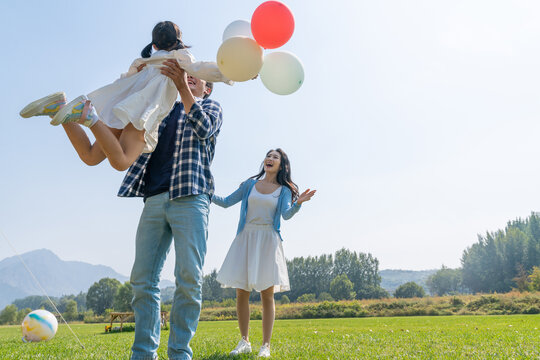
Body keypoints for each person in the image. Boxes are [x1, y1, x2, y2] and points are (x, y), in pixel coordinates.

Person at [19, 20, 230, 171]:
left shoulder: (143, 62)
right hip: (141, 114)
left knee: (91, 157)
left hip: (123, 108)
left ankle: (58, 105)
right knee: (121, 162)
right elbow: (203, 69)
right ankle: (88, 117)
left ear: (154, 45)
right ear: (179, 40)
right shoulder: (180, 58)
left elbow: (125, 79)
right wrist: (232, 73)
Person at [119, 59, 221, 359]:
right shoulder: (161, 109)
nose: (189, 79)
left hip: (190, 197)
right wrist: (135, 77)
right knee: (142, 281)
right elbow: (132, 123)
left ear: (208, 87)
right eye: (185, 76)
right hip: (153, 197)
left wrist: (182, 88)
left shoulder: (211, 108)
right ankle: (143, 354)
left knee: (189, 279)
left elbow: (204, 128)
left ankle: (179, 353)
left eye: (195, 78)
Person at [211, 148, 316, 358]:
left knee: (267, 295)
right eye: (268, 156)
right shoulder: (250, 185)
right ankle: (244, 341)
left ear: (281, 165)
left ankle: (265, 346)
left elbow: (286, 215)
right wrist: (206, 191)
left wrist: (298, 204)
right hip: (246, 238)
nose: (270, 159)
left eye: (275, 157)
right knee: (242, 292)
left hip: (268, 240)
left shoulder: (284, 190)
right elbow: (225, 202)